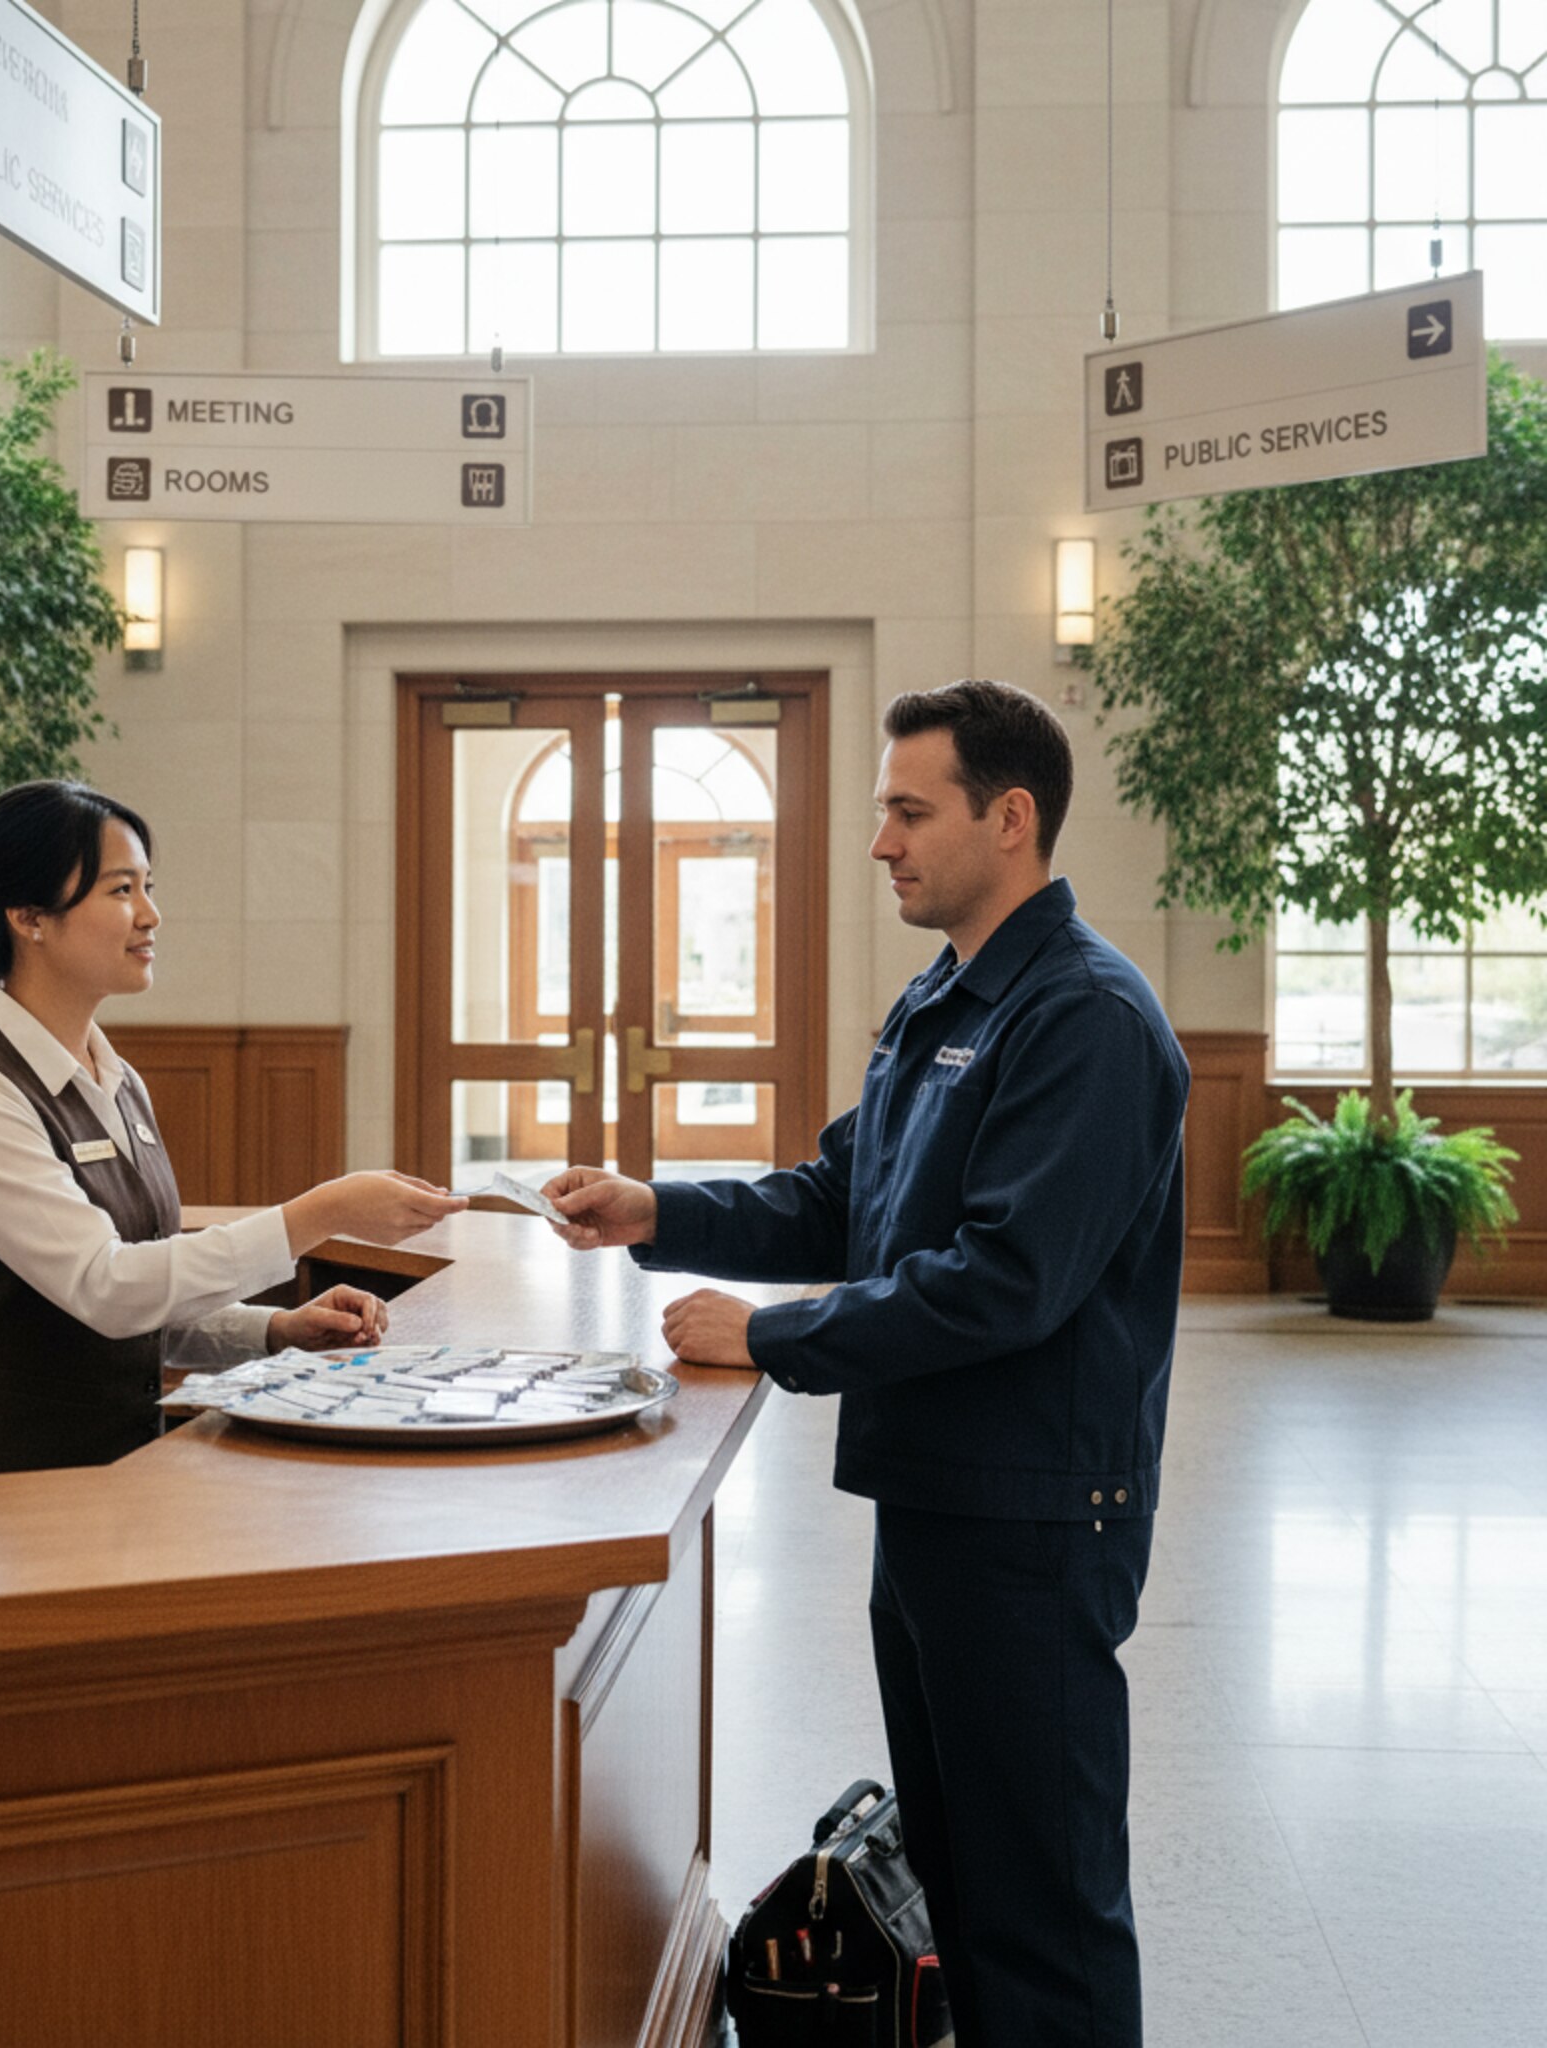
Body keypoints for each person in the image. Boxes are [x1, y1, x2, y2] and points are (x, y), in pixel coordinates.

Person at [545, 680, 1189, 2048]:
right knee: (965, 1881)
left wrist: (773, 1337)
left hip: (1031, 1520)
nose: (881, 841)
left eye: (909, 810)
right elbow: (844, 1198)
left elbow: (1006, 1281)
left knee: (1043, 1907)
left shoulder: (1083, 1018)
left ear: (1008, 818)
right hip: (937, 1498)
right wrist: (658, 1210)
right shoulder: (944, 997)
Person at [0, 780, 464, 1479]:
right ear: (30, 917)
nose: (151, 915)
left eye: (147, 887)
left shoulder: (118, 1080)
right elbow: (106, 1286)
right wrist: (321, 1213)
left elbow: (146, 1295)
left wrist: (276, 1330)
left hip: (105, 1481)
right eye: (121, 890)